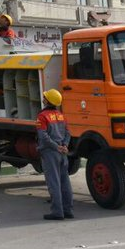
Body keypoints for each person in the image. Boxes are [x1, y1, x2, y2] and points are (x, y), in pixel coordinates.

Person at [36, 89, 74, 221]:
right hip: (62, 152)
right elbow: (68, 133)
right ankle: (68, 210)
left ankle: (57, 212)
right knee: (65, 181)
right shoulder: (61, 115)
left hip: (51, 152)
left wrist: (55, 147)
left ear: (48, 101)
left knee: (54, 182)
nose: (43, 99)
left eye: (45, 97)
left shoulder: (42, 116)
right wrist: (64, 146)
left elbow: (43, 136)